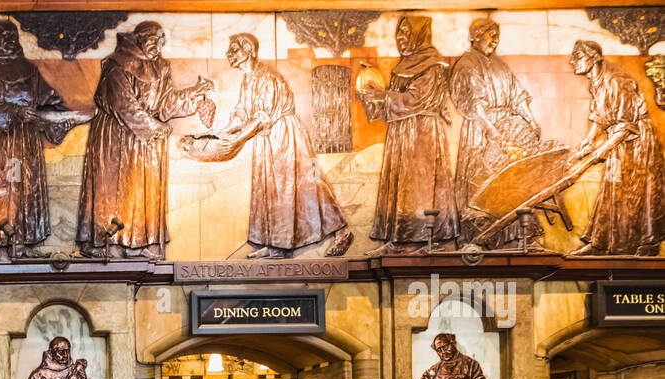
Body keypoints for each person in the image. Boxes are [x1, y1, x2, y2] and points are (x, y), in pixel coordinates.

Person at [76, 21, 213, 258]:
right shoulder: (117, 64)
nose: (159, 45)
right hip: (117, 135)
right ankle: (111, 244)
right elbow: (123, 104)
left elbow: (166, 104)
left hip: (146, 140)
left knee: (141, 189)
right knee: (115, 187)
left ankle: (139, 242)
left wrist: (195, 95)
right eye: (154, 40)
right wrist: (153, 127)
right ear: (140, 38)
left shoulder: (161, 66)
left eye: (162, 41)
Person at [217, 33, 351, 258]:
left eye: (234, 49)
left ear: (249, 50)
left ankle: (342, 231)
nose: (229, 54)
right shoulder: (249, 79)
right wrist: (222, 132)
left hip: (285, 135)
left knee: (306, 185)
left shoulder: (267, 78)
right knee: (270, 190)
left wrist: (237, 139)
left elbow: (262, 118)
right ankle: (275, 244)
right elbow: (241, 113)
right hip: (266, 138)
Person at [0, 20, 71, 260]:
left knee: (24, 187)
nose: (9, 40)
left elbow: (49, 97)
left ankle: (22, 239)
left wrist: (59, 117)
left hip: (26, 140)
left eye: (12, 35)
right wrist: (13, 111)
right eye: (2, 35)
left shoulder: (27, 68)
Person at [360, 15, 458, 250]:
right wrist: (375, 97)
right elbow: (395, 101)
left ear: (419, 34)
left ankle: (430, 239)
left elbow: (416, 100)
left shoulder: (432, 65)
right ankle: (399, 239)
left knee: (421, 188)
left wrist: (384, 96)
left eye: (406, 33)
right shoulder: (403, 65)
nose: (401, 39)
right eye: (398, 34)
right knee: (401, 186)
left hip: (422, 135)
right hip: (403, 134)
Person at [449, 19, 542, 247]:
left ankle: (513, 236)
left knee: (510, 183)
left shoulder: (500, 65)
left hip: (506, 129)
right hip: (481, 131)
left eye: (497, 35)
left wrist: (530, 119)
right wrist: (491, 131)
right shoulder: (467, 64)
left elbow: (518, 96)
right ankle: (477, 238)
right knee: (480, 184)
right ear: (475, 36)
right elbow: (475, 104)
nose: (495, 40)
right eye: (490, 35)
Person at [568, 40, 665, 257]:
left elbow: (626, 125)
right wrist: (590, 139)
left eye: (577, 56)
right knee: (612, 191)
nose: (571, 61)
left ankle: (646, 244)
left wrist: (601, 151)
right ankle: (601, 244)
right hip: (620, 141)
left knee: (637, 194)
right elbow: (601, 115)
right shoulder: (598, 81)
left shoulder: (616, 80)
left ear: (592, 57)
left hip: (638, 143)